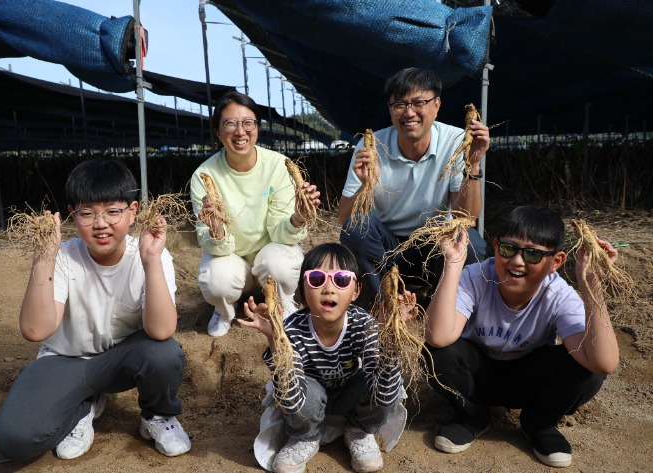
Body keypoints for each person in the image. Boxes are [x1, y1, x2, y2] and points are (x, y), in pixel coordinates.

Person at [0, 160, 190, 461]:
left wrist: (151, 261)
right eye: (87, 213)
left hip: (121, 362)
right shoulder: (62, 256)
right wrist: (43, 258)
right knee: (14, 441)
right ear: (73, 215)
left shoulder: (152, 254)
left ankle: (157, 416)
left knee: (164, 353)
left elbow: (161, 331)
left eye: (113, 211)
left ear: (133, 211)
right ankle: (83, 405)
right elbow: (36, 330)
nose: (101, 224)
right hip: (64, 361)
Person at [423, 205, 619, 468]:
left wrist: (590, 281)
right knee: (435, 351)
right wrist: (454, 265)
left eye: (533, 254)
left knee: (590, 364)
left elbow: (604, 363)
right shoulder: (476, 276)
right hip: (478, 377)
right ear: (495, 246)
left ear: (556, 262)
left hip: (531, 381)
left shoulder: (559, 295)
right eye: (508, 249)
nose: (517, 261)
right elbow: (437, 336)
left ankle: (540, 424)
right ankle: (471, 415)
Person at [240, 243, 415, 473]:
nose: (329, 288)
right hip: (307, 399)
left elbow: (384, 390)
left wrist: (389, 338)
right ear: (303, 288)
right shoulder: (292, 328)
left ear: (356, 291)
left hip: (350, 396)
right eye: (316, 279)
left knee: (384, 380)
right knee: (299, 388)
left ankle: (359, 430)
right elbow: (288, 395)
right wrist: (276, 340)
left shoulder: (364, 325)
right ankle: (304, 437)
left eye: (341, 279)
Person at [339, 67, 489, 303]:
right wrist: (365, 187)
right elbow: (345, 219)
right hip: (387, 247)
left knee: (469, 240)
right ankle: (383, 303)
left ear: (436, 105)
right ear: (390, 110)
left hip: (437, 242)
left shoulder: (457, 142)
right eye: (399, 105)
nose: (409, 113)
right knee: (357, 229)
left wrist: (473, 166)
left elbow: (466, 216)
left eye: (419, 103)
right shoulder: (370, 147)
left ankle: (442, 303)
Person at [191, 91, 320, 338]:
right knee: (217, 279)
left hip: (269, 255)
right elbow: (211, 245)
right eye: (230, 124)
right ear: (218, 131)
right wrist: (216, 229)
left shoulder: (278, 166)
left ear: (257, 128)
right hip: (231, 258)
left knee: (279, 262)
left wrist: (299, 217)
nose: (240, 131)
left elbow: (280, 233)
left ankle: (284, 301)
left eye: (248, 123)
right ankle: (224, 310)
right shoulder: (204, 176)